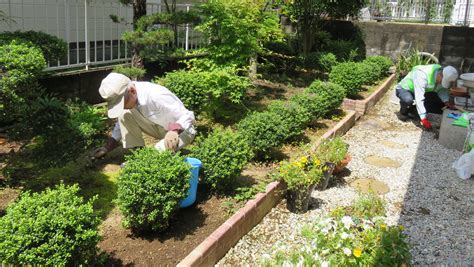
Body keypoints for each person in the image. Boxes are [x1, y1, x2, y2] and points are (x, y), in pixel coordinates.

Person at [93, 72, 196, 158]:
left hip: (183, 130)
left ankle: (147, 159)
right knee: (124, 114)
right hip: (160, 129)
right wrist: (106, 148)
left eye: (122, 103)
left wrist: (174, 130)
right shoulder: (131, 101)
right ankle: (138, 155)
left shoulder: (156, 95)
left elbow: (188, 115)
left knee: (157, 153)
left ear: (132, 91)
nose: (123, 106)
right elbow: (120, 126)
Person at [395, 64, 458, 129]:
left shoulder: (441, 75)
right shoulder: (422, 75)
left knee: (438, 104)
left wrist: (446, 101)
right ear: (440, 74)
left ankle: (413, 109)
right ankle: (403, 112)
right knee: (407, 100)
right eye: (442, 81)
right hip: (405, 88)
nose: (441, 83)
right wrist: (423, 119)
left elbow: (442, 90)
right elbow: (419, 98)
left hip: (421, 91)